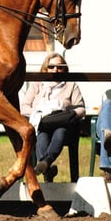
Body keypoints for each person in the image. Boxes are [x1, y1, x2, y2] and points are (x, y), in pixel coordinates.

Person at [20, 52, 86, 182]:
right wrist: (39, 112)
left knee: (60, 131)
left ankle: (45, 163)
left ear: (64, 69)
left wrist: (67, 111)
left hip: (61, 123)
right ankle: (47, 168)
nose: (55, 70)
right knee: (42, 135)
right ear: (45, 68)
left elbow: (81, 108)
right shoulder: (37, 84)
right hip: (42, 123)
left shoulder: (71, 85)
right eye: (51, 67)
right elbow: (24, 107)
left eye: (59, 67)